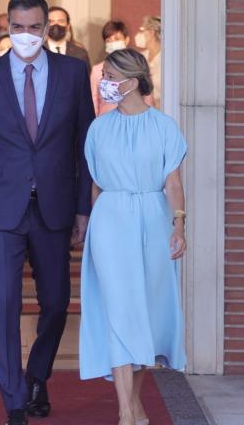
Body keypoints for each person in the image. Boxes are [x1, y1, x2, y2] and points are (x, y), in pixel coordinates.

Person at [0, 0, 95, 425]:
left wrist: (82, 209)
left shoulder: (73, 73)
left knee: (56, 303)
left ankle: (37, 373)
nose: (25, 35)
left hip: (54, 207)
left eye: (34, 27)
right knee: (4, 306)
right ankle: (15, 400)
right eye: (17, 27)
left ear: (47, 25)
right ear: (6, 27)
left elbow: (84, 146)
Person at [79, 48, 187, 425]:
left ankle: (135, 408)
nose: (104, 82)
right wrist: (93, 228)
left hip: (154, 220)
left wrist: (179, 225)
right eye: (104, 76)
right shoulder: (98, 128)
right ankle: (125, 413)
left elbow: (173, 183)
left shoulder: (165, 127)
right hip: (110, 222)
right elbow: (95, 185)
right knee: (118, 310)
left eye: (111, 76)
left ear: (133, 81)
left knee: (144, 314)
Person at [90, 20, 130, 115]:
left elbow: (146, 98)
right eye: (109, 40)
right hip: (106, 120)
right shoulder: (97, 70)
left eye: (117, 39)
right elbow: (93, 101)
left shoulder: (138, 66)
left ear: (127, 39)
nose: (113, 43)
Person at [134, 15, 163, 97]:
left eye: (142, 30)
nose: (139, 34)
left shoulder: (166, 59)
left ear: (151, 32)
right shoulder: (140, 57)